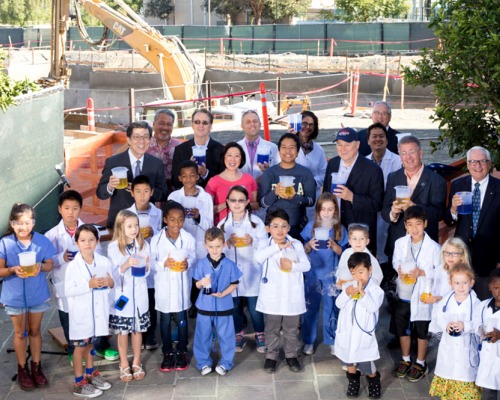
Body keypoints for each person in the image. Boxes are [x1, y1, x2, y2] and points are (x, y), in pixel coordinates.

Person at [0, 203, 55, 391]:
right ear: (12, 224)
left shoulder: (42, 241)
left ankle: (36, 367)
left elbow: (50, 264)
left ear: (33, 222)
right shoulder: (5, 243)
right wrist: (11, 270)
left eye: (28, 222)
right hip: (14, 296)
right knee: (19, 333)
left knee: (35, 331)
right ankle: (22, 368)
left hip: (37, 294)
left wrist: (40, 266)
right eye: (19, 223)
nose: (24, 227)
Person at [45, 190, 103, 366]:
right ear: (59, 209)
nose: (71, 212)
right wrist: (61, 258)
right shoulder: (51, 235)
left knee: (90, 316)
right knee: (68, 318)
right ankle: (73, 351)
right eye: (67, 208)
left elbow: (98, 254)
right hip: (64, 285)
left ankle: (95, 348)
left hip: (87, 283)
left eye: (75, 208)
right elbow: (47, 262)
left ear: (80, 209)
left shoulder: (90, 231)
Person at [255, 209, 311, 373]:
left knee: (291, 328)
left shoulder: (296, 244)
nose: (279, 230)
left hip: (292, 295)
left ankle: (291, 355)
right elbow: (258, 258)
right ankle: (271, 356)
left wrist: (292, 267)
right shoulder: (264, 244)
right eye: (275, 226)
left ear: (289, 227)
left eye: (283, 226)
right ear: (268, 229)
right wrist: (278, 248)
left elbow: (306, 266)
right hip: (272, 294)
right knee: (271, 328)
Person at [391, 206, 442, 383]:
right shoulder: (400, 243)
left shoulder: (434, 247)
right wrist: (398, 268)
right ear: (405, 225)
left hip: (423, 295)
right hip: (404, 293)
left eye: (418, 224)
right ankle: (405, 360)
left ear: (425, 224)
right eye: (410, 225)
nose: (414, 229)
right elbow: (395, 261)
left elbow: (440, 272)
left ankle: (421, 362)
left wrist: (422, 273)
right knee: (403, 328)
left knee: (422, 330)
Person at [444, 146, 500, 300]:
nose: (478, 166)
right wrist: (453, 209)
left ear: (489, 164)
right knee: (460, 302)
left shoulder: (498, 187)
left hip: (488, 259)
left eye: (482, 161)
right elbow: (449, 221)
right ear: (467, 165)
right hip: (461, 257)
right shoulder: (458, 185)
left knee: (484, 302)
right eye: (473, 162)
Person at [382, 135, 447, 266]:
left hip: (425, 248)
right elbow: (385, 209)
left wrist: (415, 208)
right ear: (399, 156)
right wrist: (393, 213)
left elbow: (438, 214)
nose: (408, 157)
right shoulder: (393, 177)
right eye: (404, 153)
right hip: (398, 244)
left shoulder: (437, 181)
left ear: (420, 153)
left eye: (412, 152)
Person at [218, 186, 268, 353]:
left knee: (255, 308)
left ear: (247, 202)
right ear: (227, 202)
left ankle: (260, 333)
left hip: (252, 271)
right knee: (235, 305)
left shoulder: (256, 222)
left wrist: (252, 241)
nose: (237, 204)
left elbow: (265, 245)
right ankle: (238, 333)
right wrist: (227, 244)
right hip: (231, 274)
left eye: (241, 200)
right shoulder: (223, 225)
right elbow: (216, 250)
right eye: (233, 200)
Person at [65, 224, 113, 398]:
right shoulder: (73, 266)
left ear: (97, 241)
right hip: (81, 314)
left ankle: (90, 373)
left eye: (91, 240)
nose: (87, 244)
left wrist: (110, 283)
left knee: (90, 344)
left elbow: (112, 282)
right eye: (83, 240)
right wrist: (89, 285)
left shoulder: (103, 261)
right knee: (79, 348)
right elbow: (68, 291)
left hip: (97, 313)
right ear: (77, 243)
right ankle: (79, 382)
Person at [322, 127, 384, 255]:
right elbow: (326, 194)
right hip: (334, 229)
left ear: (357, 145)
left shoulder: (372, 170)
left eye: (347, 145)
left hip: (358, 234)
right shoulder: (332, 163)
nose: (342, 149)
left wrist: (352, 197)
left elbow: (377, 204)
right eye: (339, 144)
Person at [150, 201, 196, 373]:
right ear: (165, 220)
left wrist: (187, 263)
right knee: (165, 320)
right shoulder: (156, 240)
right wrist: (164, 263)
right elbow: (151, 265)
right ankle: (167, 352)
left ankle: (182, 351)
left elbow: (194, 258)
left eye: (180, 220)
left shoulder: (188, 239)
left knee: (182, 318)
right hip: (164, 287)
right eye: (172, 220)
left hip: (182, 286)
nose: (176, 224)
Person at [300, 192, 348, 355]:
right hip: (313, 274)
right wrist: (308, 245)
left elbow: (344, 252)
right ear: (318, 211)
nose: (326, 213)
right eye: (323, 209)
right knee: (310, 308)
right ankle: (308, 340)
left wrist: (335, 246)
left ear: (336, 211)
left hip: (331, 275)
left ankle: (332, 338)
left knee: (331, 308)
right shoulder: (311, 227)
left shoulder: (339, 229)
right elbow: (303, 249)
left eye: (330, 209)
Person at [96, 121, 166, 228]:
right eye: (136, 137)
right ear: (128, 140)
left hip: (146, 223)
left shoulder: (156, 164)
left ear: (150, 140)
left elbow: (163, 194)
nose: (141, 141)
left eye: (145, 137)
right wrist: (110, 186)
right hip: (120, 221)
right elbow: (100, 193)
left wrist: (146, 190)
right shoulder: (113, 162)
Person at [192, 227, 242, 376]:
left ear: (224, 245)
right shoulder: (201, 264)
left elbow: (235, 283)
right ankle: (203, 362)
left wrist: (223, 294)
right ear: (205, 246)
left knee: (226, 335)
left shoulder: (230, 265)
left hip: (224, 305)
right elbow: (196, 285)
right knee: (202, 335)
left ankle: (226, 362)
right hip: (204, 306)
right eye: (211, 247)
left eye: (218, 246)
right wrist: (201, 282)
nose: (214, 250)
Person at [107, 210, 151, 382]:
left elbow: (147, 272)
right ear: (121, 227)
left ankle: (137, 361)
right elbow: (112, 275)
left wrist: (146, 267)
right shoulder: (113, 247)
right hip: (122, 297)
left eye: (136, 225)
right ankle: (124, 363)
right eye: (130, 226)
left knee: (137, 329)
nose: (134, 229)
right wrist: (125, 265)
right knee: (123, 331)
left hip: (139, 296)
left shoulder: (143, 245)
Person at [334, 252, 384, 399]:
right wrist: (346, 293)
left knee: (365, 362)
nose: (358, 277)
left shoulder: (376, 291)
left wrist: (362, 294)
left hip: (362, 334)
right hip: (347, 331)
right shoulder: (349, 287)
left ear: (370, 269)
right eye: (353, 273)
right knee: (348, 359)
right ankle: (353, 381)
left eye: (361, 272)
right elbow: (338, 303)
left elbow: (372, 307)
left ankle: (374, 382)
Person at [168, 160, 214, 319]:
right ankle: (180, 306)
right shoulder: (174, 196)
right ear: (179, 178)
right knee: (182, 274)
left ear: (198, 177)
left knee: (197, 274)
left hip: (200, 242)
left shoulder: (206, 197)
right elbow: (168, 221)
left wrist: (199, 217)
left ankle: (194, 304)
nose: (188, 180)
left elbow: (210, 225)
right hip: (180, 243)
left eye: (192, 176)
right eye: (184, 176)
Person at [429, 264, 482, 400]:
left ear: (472, 282)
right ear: (450, 283)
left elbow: (479, 324)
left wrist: (465, 326)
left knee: (467, 391)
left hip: (466, 352)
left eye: (465, 283)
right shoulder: (445, 300)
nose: (461, 286)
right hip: (449, 349)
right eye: (457, 283)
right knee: (448, 390)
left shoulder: (476, 303)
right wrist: (445, 324)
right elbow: (439, 317)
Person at [126, 175, 162, 350]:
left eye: (146, 191)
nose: (142, 195)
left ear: (152, 193)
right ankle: (135, 333)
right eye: (138, 191)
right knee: (136, 300)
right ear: (132, 193)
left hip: (152, 261)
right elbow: (122, 239)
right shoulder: (126, 214)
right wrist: (138, 235)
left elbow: (161, 235)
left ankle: (151, 335)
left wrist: (152, 233)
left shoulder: (158, 212)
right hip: (135, 262)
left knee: (151, 300)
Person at [260, 133, 316, 240]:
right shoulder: (269, 172)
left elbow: (311, 201)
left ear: (298, 152)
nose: (288, 151)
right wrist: (275, 193)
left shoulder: (305, 173)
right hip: (274, 228)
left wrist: (293, 198)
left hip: (297, 226)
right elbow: (263, 203)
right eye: (284, 147)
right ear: (279, 150)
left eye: (292, 148)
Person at [365, 122, 402, 267]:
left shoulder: (397, 161)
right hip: (370, 209)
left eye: (381, 136)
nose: (377, 139)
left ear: (387, 140)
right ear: (368, 140)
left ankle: (386, 275)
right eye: (374, 136)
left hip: (389, 209)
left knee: (385, 246)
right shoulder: (364, 162)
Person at [205, 142, 258, 225]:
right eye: (229, 155)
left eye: (237, 156)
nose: (233, 159)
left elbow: (256, 205)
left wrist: (243, 204)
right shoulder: (214, 182)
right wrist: (228, 204)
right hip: (223, 229)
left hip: (246, 227)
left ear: (241, 159)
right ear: (224, 157)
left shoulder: (249, 179)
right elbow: (207, 209)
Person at [171, 108, 224, 189]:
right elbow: (175, 181)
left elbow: (223, 180)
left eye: (205, 122)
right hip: (187, 199)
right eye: (197, 122)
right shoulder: (180, 150)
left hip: (212, 198)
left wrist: (206, 173)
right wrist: (188, 169)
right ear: (192, 125)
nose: (201, 125)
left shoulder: (221, 150)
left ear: (210, 126)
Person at [428, 237, 472, 334]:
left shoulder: (464, 275)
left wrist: (439, 298)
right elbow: (429, 277)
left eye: (454, 254)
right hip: (438, 317)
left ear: (462, 255)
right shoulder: (440, 269)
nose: (450, 257)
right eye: (447, 253)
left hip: (455, 317)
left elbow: (460, 294)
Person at [291, 110, 327, 222]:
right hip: (292, 196)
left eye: (311, 125)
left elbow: (324, 173)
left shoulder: (319, 150)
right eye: (304, 123)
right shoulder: (288, 147)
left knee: (311, 230)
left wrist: (312, 182)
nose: (307, 127)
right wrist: (290, 138)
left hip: (312, 197)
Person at [474, 268, 500, 400]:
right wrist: (481, 331)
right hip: (488, 360)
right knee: (489, 392)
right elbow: (476, 324)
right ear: (490, 287)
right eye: (496, 287)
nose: (499, 291)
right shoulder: (483, 306)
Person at [335, 223, 383, 288]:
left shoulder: (370, 259)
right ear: (349, 241)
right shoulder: (346, 253)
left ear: (367, 241)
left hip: (364, 291)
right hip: (348, 289)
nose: (358, 242)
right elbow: (340, 269)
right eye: (354, 239)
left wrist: (365, 287)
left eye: (362, 239)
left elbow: (378, 276)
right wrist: (339, 281)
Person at [237, 109, 280, 181]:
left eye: (255, 121)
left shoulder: (273, 147)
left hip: (265, 190)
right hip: (242, 190)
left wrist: (267, 171)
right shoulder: (236, 147)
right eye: (248, 122)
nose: (252, 124)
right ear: (242, 126)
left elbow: (278, 171)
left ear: (260, 124)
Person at [146, 109, 182, 192]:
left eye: (169, 124)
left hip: (173, 194)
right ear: (154, 124)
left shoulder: (179, 147)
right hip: (148, 194)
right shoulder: (144, 145)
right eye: (161, 123)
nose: (165, 127)